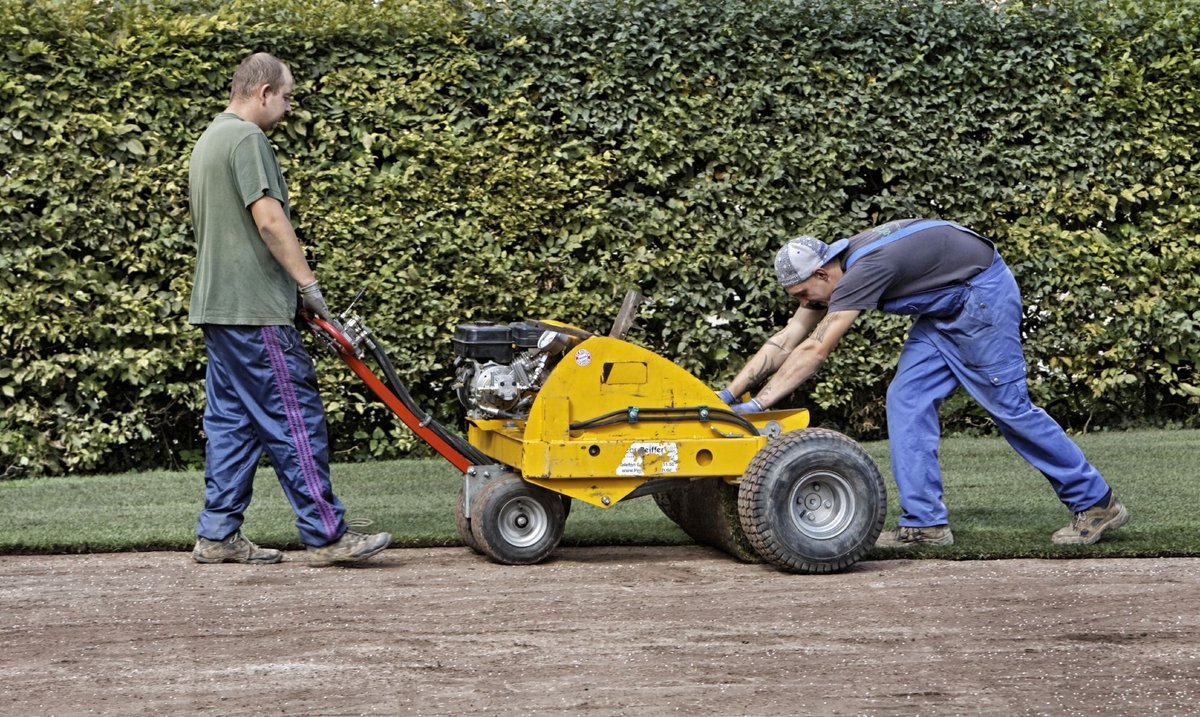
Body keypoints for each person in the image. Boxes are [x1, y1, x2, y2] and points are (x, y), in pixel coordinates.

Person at [717, 218, 1128, 547]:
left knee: (1010, 409)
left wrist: (760, 405)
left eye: (803, 294)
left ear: (822, 273)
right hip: (944, 308)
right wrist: (729, 396)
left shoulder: (865, 269)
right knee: (906, 399)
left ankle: (1096, 503)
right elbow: (788, 338)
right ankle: (925, 524)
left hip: (980, 297)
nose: (803, 303)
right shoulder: (834, 273)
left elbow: (814, 350)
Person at [187, 53, 391, 566]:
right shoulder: (248, 140)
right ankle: (327, 536)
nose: (288, 106)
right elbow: (270, 221)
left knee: (232, 423)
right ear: (262, 93)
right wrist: (308, 285)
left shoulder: (210, 139)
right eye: (286, 96)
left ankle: (217, 535)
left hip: (219, 308)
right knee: (294, 418)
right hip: (256, 312)